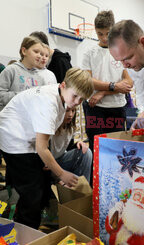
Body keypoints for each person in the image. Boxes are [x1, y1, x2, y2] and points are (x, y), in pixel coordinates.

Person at [0, 68, 94, 229]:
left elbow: (44, 141)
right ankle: (27, 231)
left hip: (27, 141)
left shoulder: (62, 96)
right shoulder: (49, 102)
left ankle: (36, 220)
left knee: (41, 185)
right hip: (15, 141)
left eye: (82, 99)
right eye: (75, 96)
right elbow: (41, 147)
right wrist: (61, 173)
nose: (77, 102)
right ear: (63, 85)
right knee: (32, 194)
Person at [81, 11, 133, 153]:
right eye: (100, 34)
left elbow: (129, 82)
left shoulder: (121, 50)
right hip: (95, 107)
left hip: (116, 108)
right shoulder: (89, 52)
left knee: (116, 149)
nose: (104, 38)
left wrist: (104, 92)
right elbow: (88, 81)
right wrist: (114, 86)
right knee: (96, 148)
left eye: (107, 33)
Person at [0, 36, 46, 111]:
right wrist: (22, 96)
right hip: (11, 118)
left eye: (41, 53)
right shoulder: (11, 70)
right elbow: (1, 94)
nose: (39, 56)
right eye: (36, 51)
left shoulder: (40, 77)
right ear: (24, 51)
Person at [50, 107, 92, 183]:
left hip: (61, 159)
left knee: (86, 152)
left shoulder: (71, 127)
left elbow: (68, 147)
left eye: (73, 111)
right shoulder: (51, 126)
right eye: (67, 111)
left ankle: (83, 189)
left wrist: (78, 144)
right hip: (49, 162)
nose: (70, 115)